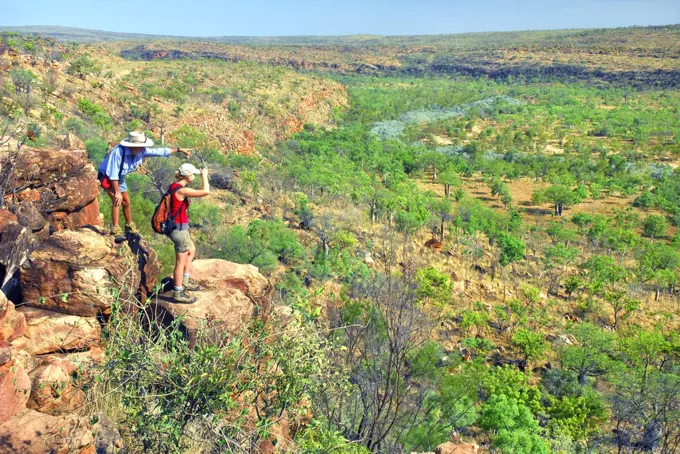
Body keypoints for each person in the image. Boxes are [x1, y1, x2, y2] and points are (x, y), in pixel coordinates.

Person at [98, 131, 192, 238]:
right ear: (132, 146)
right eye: (140, 146)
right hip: (108, 177)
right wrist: (117, 192)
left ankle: (130, 227)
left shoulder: (141, 151)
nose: (142, 148)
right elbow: (113, 174)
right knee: (117, 200)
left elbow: (159, 151)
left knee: (126, 202)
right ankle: (115, 230)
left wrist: (179, 150)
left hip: (119, 177)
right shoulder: (118, 153)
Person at [168, 162, 210, 304]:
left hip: (179, 228)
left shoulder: (175, 186)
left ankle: (185, 280)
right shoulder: (181, 190)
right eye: (193, 174)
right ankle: (178, 292)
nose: (194, 176)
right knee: (180, 261)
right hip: (179, 229)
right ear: (187, 176)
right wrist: (204, 176)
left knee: (191, 250)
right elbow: (206, 191)